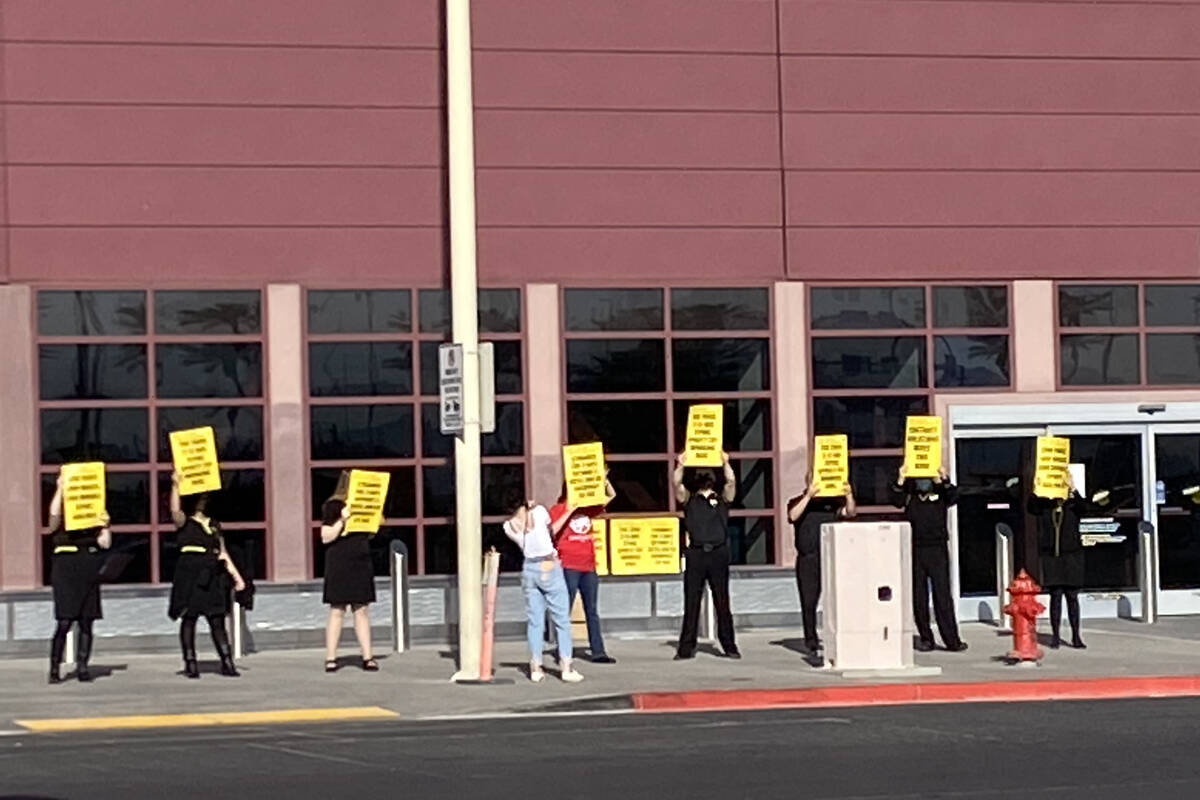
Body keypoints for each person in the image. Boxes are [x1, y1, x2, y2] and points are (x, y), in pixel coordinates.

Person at [168, 472, 246, 678]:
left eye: (206, 498)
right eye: (200, 498)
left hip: (213, 574)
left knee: (217, 619)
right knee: (189, 618)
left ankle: (227, 661)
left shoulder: (213, 524)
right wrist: (176, 485)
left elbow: (222, 551)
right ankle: (190, 663)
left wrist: (237, 578)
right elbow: (175, 510)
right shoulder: (184, 522)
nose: (203, 502)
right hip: (190, 573)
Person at [503, 500, 584, 683]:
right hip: (548, 564)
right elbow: (551, 532)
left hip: (529, 568)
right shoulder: (540, 511)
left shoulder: (508, 526)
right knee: (562, 619)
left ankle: (535, 667)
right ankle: (566, 667)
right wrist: (568, 511)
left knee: (535, 621)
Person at [46, 469, 111, 684]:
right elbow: (52, 522)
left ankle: (83, 666)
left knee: (86, 621)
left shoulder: (93, 517)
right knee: (64, 621)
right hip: (65, 569)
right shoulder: (61, 520)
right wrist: (61, 489)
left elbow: (105, 544)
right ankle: (54, 667)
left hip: (87, 568)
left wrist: (105, 525)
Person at [892, 466, 967, 653]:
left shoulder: (941, 491)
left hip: (937, 548)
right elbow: (896, 501)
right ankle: (926, 638)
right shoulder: (910, 492)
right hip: (915, 548)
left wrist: (941, 479)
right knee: (919, 596)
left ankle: (952, 640)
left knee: (942, 595)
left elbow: (954, 497)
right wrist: (901, 478)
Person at [673, 452, 740, 660]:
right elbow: (676, 484)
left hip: (718, 552)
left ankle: (729, 645)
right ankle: (686, 647)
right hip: (696, 553)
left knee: (722, 602)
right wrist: (680, 465)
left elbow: (731, 481)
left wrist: (726, 462)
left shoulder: (721, 499)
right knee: (692, 602)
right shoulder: (689, 500)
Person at [549, 476, 618, 664]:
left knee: (592, 610)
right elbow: (551, 531)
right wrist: (568, 511)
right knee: (565, 609)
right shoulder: (557, 510)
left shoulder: (587, 510)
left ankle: (598, 652)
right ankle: (563, 650)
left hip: (588, 567)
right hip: (569, 566)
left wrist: (604, 481)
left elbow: (611, 496)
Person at [786, 474, 855, 655]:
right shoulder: (797, 501)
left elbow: (850, 513)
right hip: (808, 558)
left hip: (831, 557)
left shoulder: (832, 502)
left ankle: (839, 636)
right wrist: (809, 496)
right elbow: (793, 516)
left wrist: (848, 495)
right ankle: (811, 640)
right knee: (809, 601)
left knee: (836, 600)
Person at [320, 471, 378, 673]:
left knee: (361, 609)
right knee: (337, 610)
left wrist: (375, 520)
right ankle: (331, 657)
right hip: (339, 561)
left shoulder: (366, 506)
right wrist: (342, 520)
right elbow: (326, 537)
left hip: (360, 559)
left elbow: (369, 534)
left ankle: (368, 656)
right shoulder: (333, 506)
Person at [1028, 474, 1086, 649]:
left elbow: (1086, 508)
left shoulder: (1073, 505)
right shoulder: (1046, 505)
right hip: (1052, 557)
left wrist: (1073, 489)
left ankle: (1076, 635)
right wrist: (1036, 490)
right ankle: (1056, 635)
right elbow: (1032, 508)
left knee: (1072, 597)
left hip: (1071, 556)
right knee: (1056, 596)